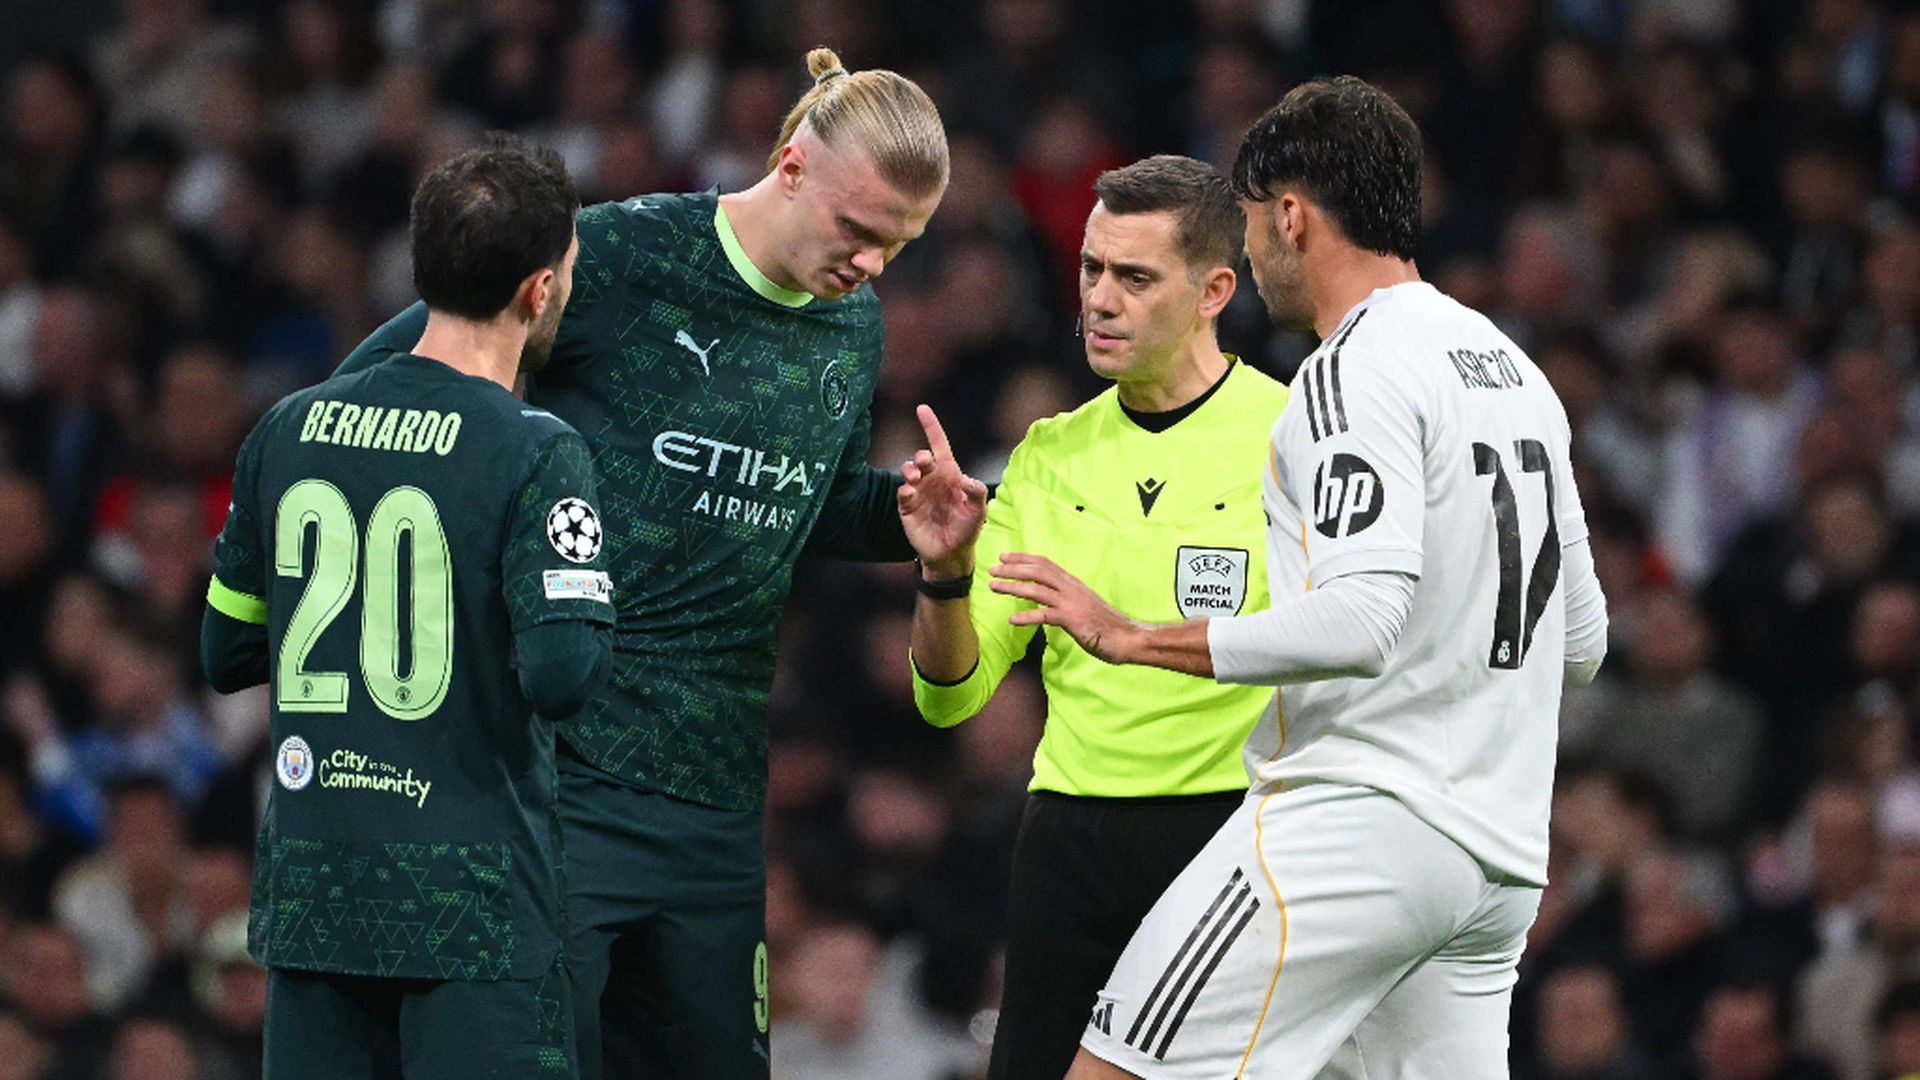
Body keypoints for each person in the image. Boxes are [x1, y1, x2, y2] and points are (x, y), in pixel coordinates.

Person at [333, 47, 961, 1078]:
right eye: (860, 231)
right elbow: (380, 386)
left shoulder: (851, 323)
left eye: (900, 244)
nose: (874, 265)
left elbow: (804, 499)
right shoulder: (619, 257)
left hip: (716, 806)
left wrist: (905, 517)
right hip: (559, 780)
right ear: (793, 165)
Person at [991, 77, 1611, 1078]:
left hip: (1355, 830)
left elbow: (1362, 618)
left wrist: (1132, 637)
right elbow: (1580, 640)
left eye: (1247, 221)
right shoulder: (1510, 367)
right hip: (1495, 860)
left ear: (1290, 214)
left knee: (1106, 1068)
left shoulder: (1347, 370)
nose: (1247, 248)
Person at [200, 137, 614, 1078]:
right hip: (469, 904)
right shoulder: (535, 450)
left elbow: (225, 651)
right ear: (539, 289)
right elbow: (562, 678)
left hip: (315, 896)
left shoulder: (287, 427)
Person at [898, 154, 1287, 1079]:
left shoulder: (1292, 440)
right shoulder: (1048, 456)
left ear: (1214, 291)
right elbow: (950, 697)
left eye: (1136, 277)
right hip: (1068, 837)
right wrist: (945, 574)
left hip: (1230, 838)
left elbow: (1343, 643)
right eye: (1090, 269)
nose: (1100, 300)